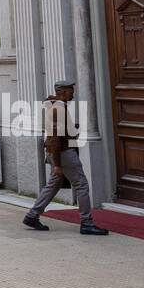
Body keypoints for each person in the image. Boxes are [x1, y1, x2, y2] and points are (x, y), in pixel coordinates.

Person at [23, 81, 109, 235]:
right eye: (70, 91)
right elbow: (55, 138)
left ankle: (32, 215)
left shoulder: (57, 106)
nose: (73, 94)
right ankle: (87, 223)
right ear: (62, 92)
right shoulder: (58, 109)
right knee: (81, 185)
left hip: (57, 152)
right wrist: (57, 164)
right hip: (63, 153)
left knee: (53, 184)